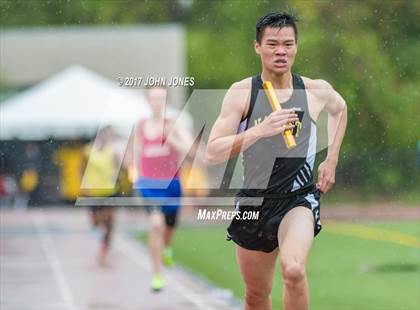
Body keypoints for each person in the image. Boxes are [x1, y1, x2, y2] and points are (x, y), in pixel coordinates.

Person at [206, 12, 347, 310]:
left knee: (294, 271)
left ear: (296, 47)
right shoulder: (242, 93)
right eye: (272, 44)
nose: (280, 51)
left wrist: (331, 158)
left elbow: (340, 109)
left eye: (288, 44)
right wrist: (259, 130)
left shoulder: (313, 90)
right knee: (256, 295)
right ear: (257, 47)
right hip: (254, 203)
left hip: (298, 200)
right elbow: (213, 151)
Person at [133, 87, 193, 292]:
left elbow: (190, 151)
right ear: (147, 101)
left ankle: (166, 247)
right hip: (149, 185)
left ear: (166, 101)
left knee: (169, 227)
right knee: (156, 225)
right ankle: (157, 275)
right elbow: (135, 153)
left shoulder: (174, 125)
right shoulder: (140, 126)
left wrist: (171, 139)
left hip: (172, 185)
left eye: (161, 98)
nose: (157, 102)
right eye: (153, 98)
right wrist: (134, 173)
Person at [82, 126, 119, 266]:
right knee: (96, 222)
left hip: (109, 191)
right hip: (93, 192)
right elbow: (82, 168)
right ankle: (101, 237)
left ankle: (104, 248)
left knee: (109, 221)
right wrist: (84, 184)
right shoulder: (88, 150)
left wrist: (116, 173)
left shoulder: (113, 151)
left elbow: (118, 168)